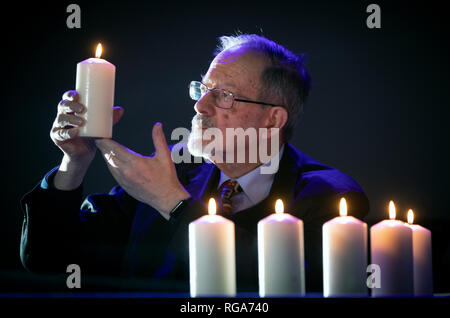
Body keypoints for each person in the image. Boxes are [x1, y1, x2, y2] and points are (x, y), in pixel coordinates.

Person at [20, 34, 369, 293]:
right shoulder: (174, 171)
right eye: (202, 90)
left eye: (224, 96)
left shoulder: (328, 196)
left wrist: (172, 202)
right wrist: (74, 163)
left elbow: (276, 285)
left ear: (273, 120)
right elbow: (49, 259)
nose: (200, 107)